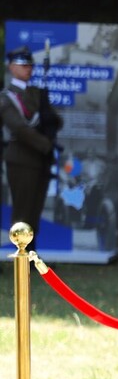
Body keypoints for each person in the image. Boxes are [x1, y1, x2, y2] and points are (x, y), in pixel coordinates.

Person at [0, 46, 63, 246]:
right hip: (22, 158)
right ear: (11, 67)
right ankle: (22, 257)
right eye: (23, 65)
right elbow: (19, 128)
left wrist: (51, 120)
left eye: (30, 65)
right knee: (23, 210)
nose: (29, 68)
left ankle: (30, 254)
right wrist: (46, 145)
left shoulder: (37, 92)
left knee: (35, 210)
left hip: (40, 160)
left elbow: (54, 119)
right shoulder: (6, 97)